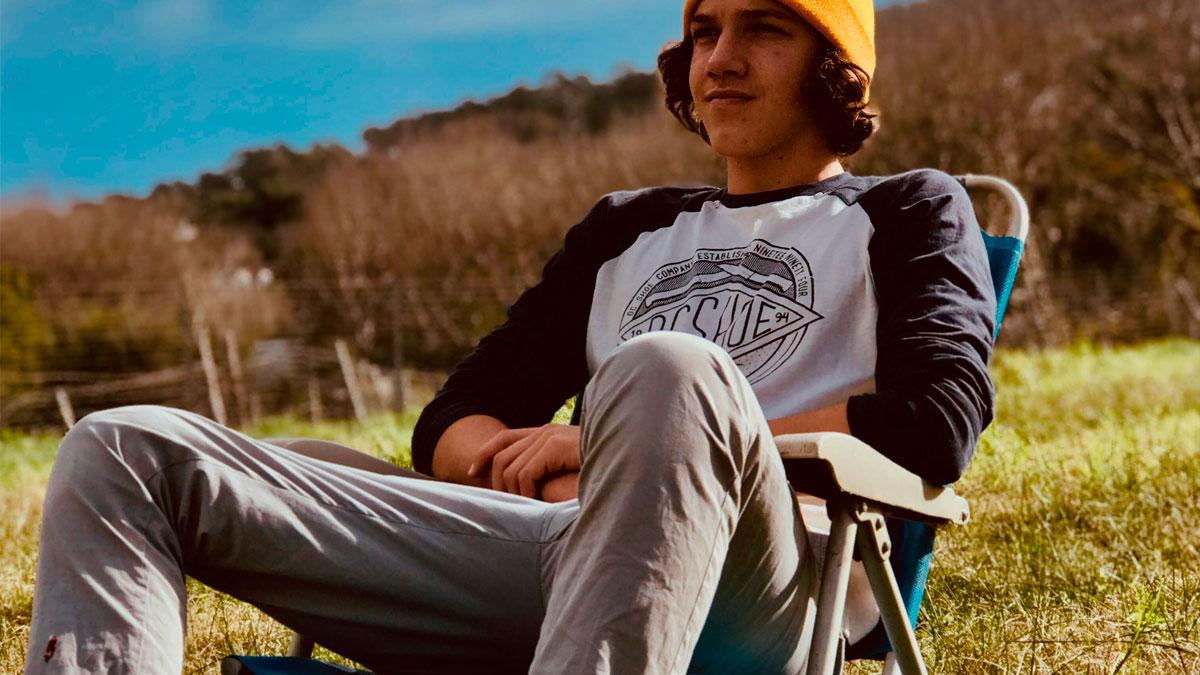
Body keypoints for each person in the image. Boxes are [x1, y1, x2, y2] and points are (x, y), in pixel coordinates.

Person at [24, 0, 996, 672]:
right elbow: (456, 417)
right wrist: (524, 460)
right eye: (704, 31)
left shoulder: (909, 209)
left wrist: (621, 444)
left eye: (764, 29)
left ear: (835, 65)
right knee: (124, 447)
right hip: (537, 550)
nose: (720, 59)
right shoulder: (628, 226)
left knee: (667, 371)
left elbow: (934, 421)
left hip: (758, 584)